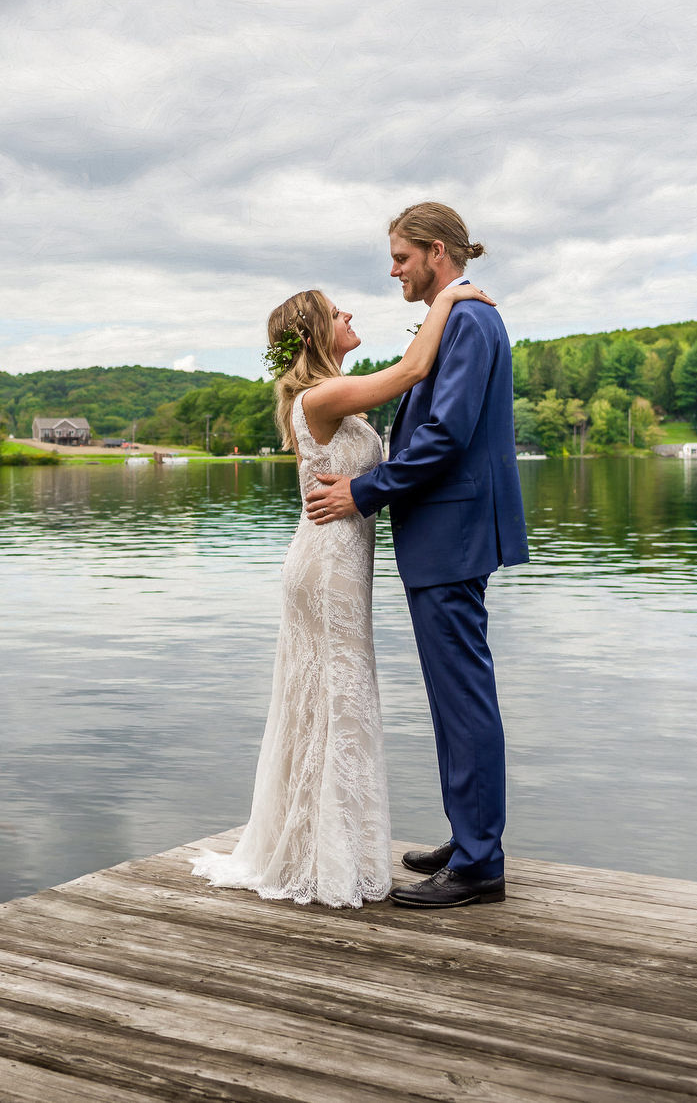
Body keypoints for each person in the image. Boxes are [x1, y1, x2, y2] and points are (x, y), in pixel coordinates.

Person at [192, 277, 492, 907]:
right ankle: (325, 854)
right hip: (326, 568)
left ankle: (323, 840)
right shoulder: (322, 397)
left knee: (329, 701)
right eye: (335, 312)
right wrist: (447, 299)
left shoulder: (333, 401)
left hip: (338, 564)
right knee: (335, 699)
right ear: (314, 335)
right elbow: (413, 369)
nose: (350, 312)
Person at [305, 201, 528, 909]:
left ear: (436, 252)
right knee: (455, 696)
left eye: (401, 257)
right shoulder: (459, 316)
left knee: (462, 698)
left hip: (453, 534)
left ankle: (479, 864)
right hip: (449, 534)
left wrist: (364, 492)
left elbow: (445, 438)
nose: (394, 269)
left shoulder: (466, 319)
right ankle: (470, 840)